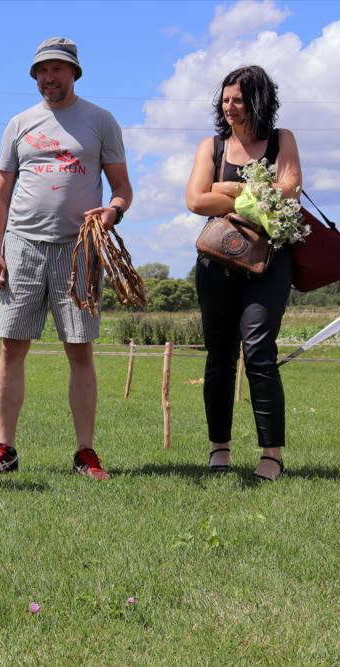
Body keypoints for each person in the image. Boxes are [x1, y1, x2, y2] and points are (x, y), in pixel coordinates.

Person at [0, 37, 132, 480]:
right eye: (42, 71)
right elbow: (0, 194)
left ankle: (85, 453)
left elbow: (122, 188)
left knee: (80, 349)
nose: (49, 78)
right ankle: (3, 449)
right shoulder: (19, 124)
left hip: (78, 249)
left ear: (74, 73)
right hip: (22, 246)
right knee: (11, 348)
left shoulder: (100, 121)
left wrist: (113, 211)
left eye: (57, 70)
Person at [185, 65, 300, 482]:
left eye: (239, 100)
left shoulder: (281, 140)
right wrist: (250, 194)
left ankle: (272, 453)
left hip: (269, 263)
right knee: (218, 355)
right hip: (217, 261)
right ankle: (220, 447)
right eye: (226, 99)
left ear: (259, 101)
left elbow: (288, 191)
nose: (230, 107)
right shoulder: (211, 146)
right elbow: (195, 200)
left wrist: (227, 191)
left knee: (259, 351)